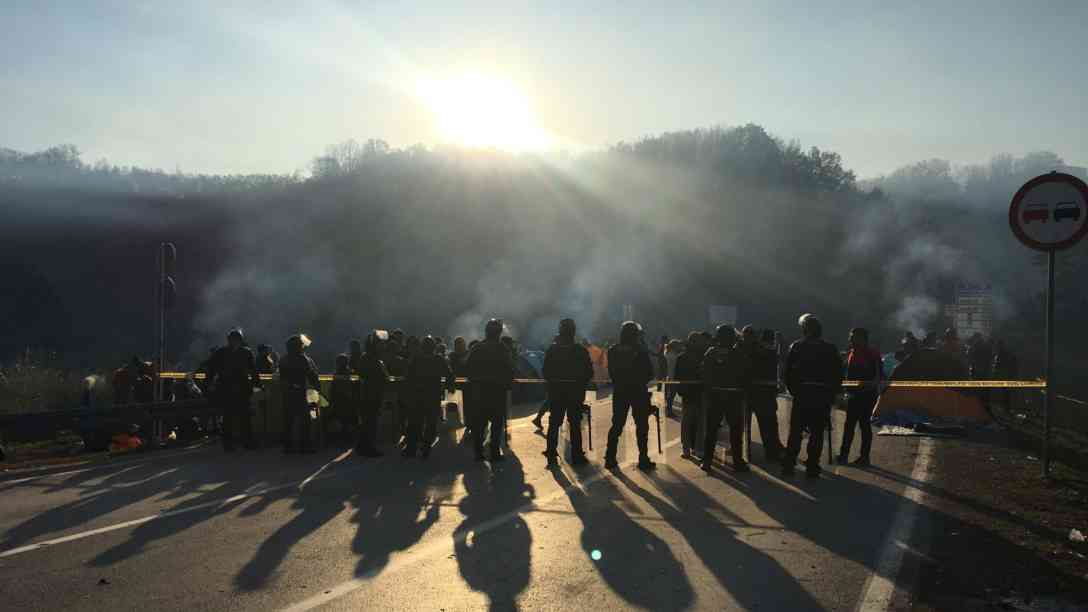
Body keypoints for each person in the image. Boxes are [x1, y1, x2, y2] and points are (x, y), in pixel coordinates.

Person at [783, 314, 844, 478]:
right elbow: (838, 374)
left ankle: (789, 464)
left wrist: (794, 391)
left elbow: (787, 373)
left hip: (802, 394)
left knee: (796, 431)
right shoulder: (830, 348)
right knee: (817, 433)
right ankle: (812, 465)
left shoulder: (797, 346)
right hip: (821, 396)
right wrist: (831, 394)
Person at [604, 321, 656, 471]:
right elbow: (649, 372)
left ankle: (610, 457)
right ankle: (643, 458)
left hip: (620, 391)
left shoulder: (613, 350)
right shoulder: (640, 350)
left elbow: (612, 372)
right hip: (638, 392)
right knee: (641, 426)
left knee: (617, 425)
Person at [542, 319, 594, 467]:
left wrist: (554, 383)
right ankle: (577, 456)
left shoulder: (552, 350)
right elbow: (589, 372)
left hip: (556, 392)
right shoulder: (580, 350)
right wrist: (579, 383)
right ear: (573, 332)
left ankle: (551, 453)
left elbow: (545, 371)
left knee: (554, 423)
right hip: (574, 394)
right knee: (575, 424)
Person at [701, 325, 751, 473]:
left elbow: (703, 372)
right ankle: (737, 461)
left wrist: (710, 388)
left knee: (711, 430)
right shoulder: (738, 354)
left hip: (715, 396)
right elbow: (745, 374)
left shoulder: (711, 353)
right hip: (733, 397)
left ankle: (707, 461)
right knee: (735, 431)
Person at [466, 319, 516, 462]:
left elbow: (468, 368)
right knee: (496, 424)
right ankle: (494, 452)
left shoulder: (477, 347)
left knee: (480, 424)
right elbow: (510, 368)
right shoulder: (502, 349)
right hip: (497, 392)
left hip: (480, 391)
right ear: (499, 332)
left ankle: (478, 452)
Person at [206, 329, 261, 451]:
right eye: (233, 339)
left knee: (243, 417)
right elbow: (211, 367)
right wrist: (209, 382)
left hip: (240, 387)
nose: (234, 342)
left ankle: (246, 442)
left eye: (236, 339)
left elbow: (253, 370)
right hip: (228, 388)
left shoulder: (244, 352)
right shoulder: (223, 352)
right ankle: (230, 444)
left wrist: (256, 382)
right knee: (229, 417)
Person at [403, 336, 454, 458]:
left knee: (415, 422)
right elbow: (449, 374)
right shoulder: (438, 359)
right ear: (434, 348)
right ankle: (426, 447)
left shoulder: (416, 359)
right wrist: (450, 387)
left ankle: (411, 448)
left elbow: (408, 376)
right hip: (433, 395)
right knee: (431, 423)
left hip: (417, 395)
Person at [839, 327, 882, 467]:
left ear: (862, 338)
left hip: (866, 396)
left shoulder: (872, 354)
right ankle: (843, 455)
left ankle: (864, 457)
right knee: (849, 426)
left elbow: (878, 376)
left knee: (864, 426)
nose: (850, 339)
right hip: (853, 395)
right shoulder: (852, 353)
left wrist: (870, 388)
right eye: (850, 337)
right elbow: (848, 375)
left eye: (853, 337)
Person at [745, 327, 783, 462]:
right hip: (766, 393)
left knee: (747, 425)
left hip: (751, 392)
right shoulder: (771, 352)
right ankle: (772, 451)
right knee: (768, 424)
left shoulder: (748, 351)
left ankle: (746, 451)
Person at [279, 334, 320, 453]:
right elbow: (312, 376)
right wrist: (317, 389)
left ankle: (288, 446)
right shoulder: (304, 359)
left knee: (288, 421)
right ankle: (304, 445)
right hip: (301, 392)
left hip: (288, 393)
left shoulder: (283, 359)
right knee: (305, 420)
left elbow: (282, 378)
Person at [353, 330, 390, 457]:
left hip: (366, 393)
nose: (383, 346)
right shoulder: (373, 359)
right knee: (371, 422)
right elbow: (384, 377)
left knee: (366, 421)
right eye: (380, 344)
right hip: (372, 394)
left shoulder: (365, 357)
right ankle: (369, 447)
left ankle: (361, 446)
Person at [674, 331, 706, 459]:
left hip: (691, 393)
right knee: (696, 422)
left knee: (689, 422)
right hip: (696, 393)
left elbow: (678, 376)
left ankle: (689, 448)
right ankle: (695, 448)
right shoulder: (702, 356)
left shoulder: (683, 357)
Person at [328, 353, 356, 443]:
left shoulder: (337, 375)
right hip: (347, 401)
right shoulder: (350, 373)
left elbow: (333, 389)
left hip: (339, 401)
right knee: (346, 420)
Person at [664, 339, 682, 418]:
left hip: (668, 377)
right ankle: (669, 411)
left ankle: (668, 410)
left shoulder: (667, 354)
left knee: (669, 395)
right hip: (672, 377)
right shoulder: (673, 356)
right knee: (671, 395)